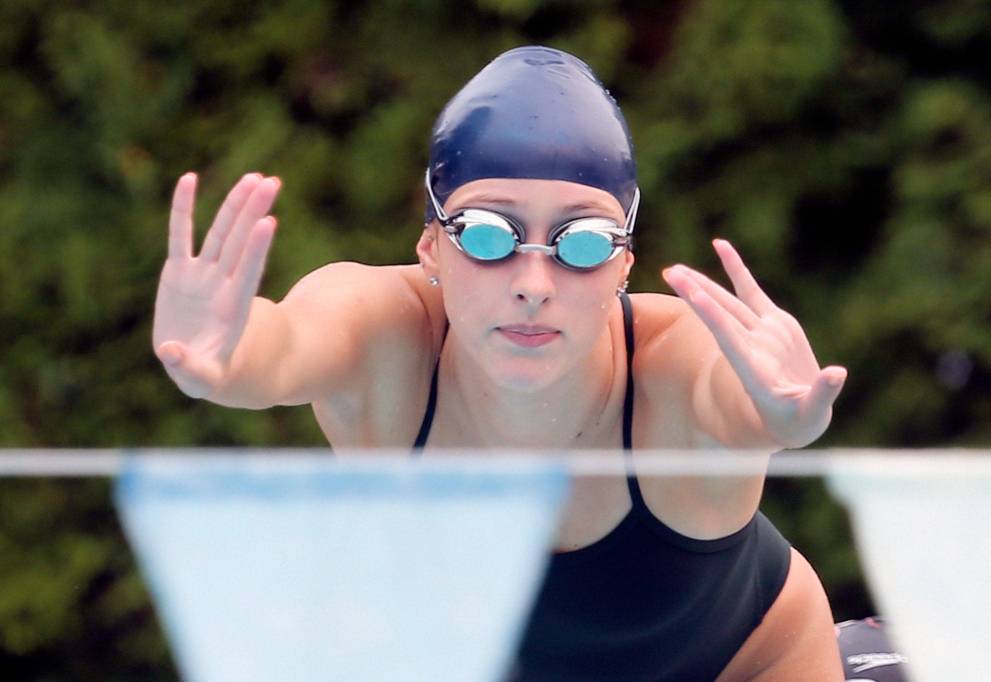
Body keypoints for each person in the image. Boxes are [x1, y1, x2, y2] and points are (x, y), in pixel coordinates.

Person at [153, 46, 847, 681]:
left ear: (624, 263)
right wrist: (224, 356)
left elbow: (730, 398)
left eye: (581, 242)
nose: (533, 284)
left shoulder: (671, 363)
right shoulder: (385, 342)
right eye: (488, 235)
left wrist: (778, 415)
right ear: (431, 244)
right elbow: (284, 346)